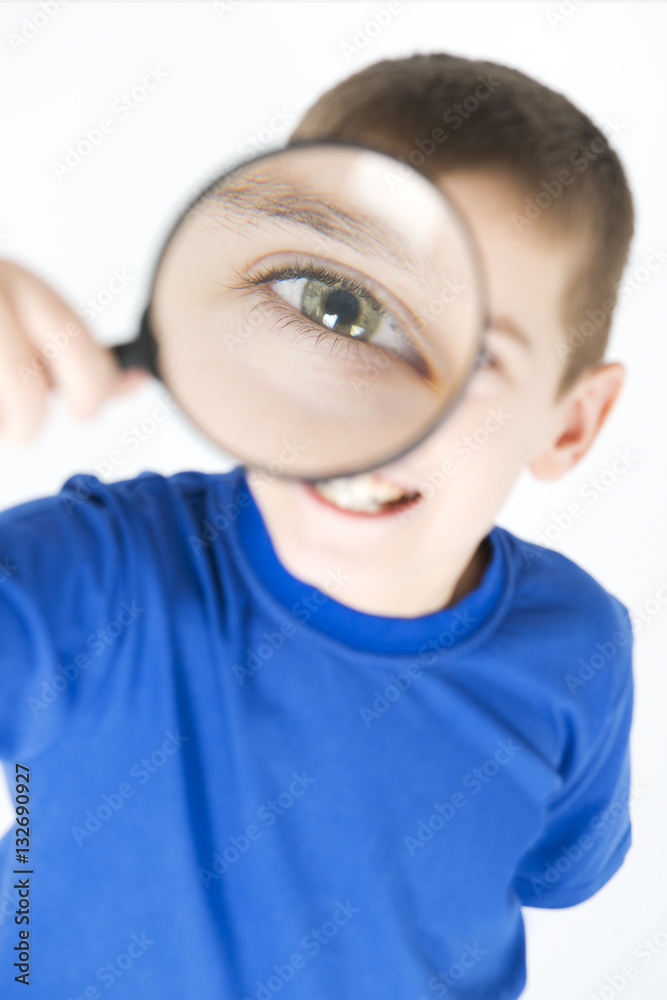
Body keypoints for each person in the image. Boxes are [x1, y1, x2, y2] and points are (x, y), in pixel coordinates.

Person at [0, 53, 635, 999]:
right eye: (336, 307)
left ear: (570, 426)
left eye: (475, 361)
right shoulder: (93, 573)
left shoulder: (579, 647)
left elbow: (555, 874)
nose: (368, 415)